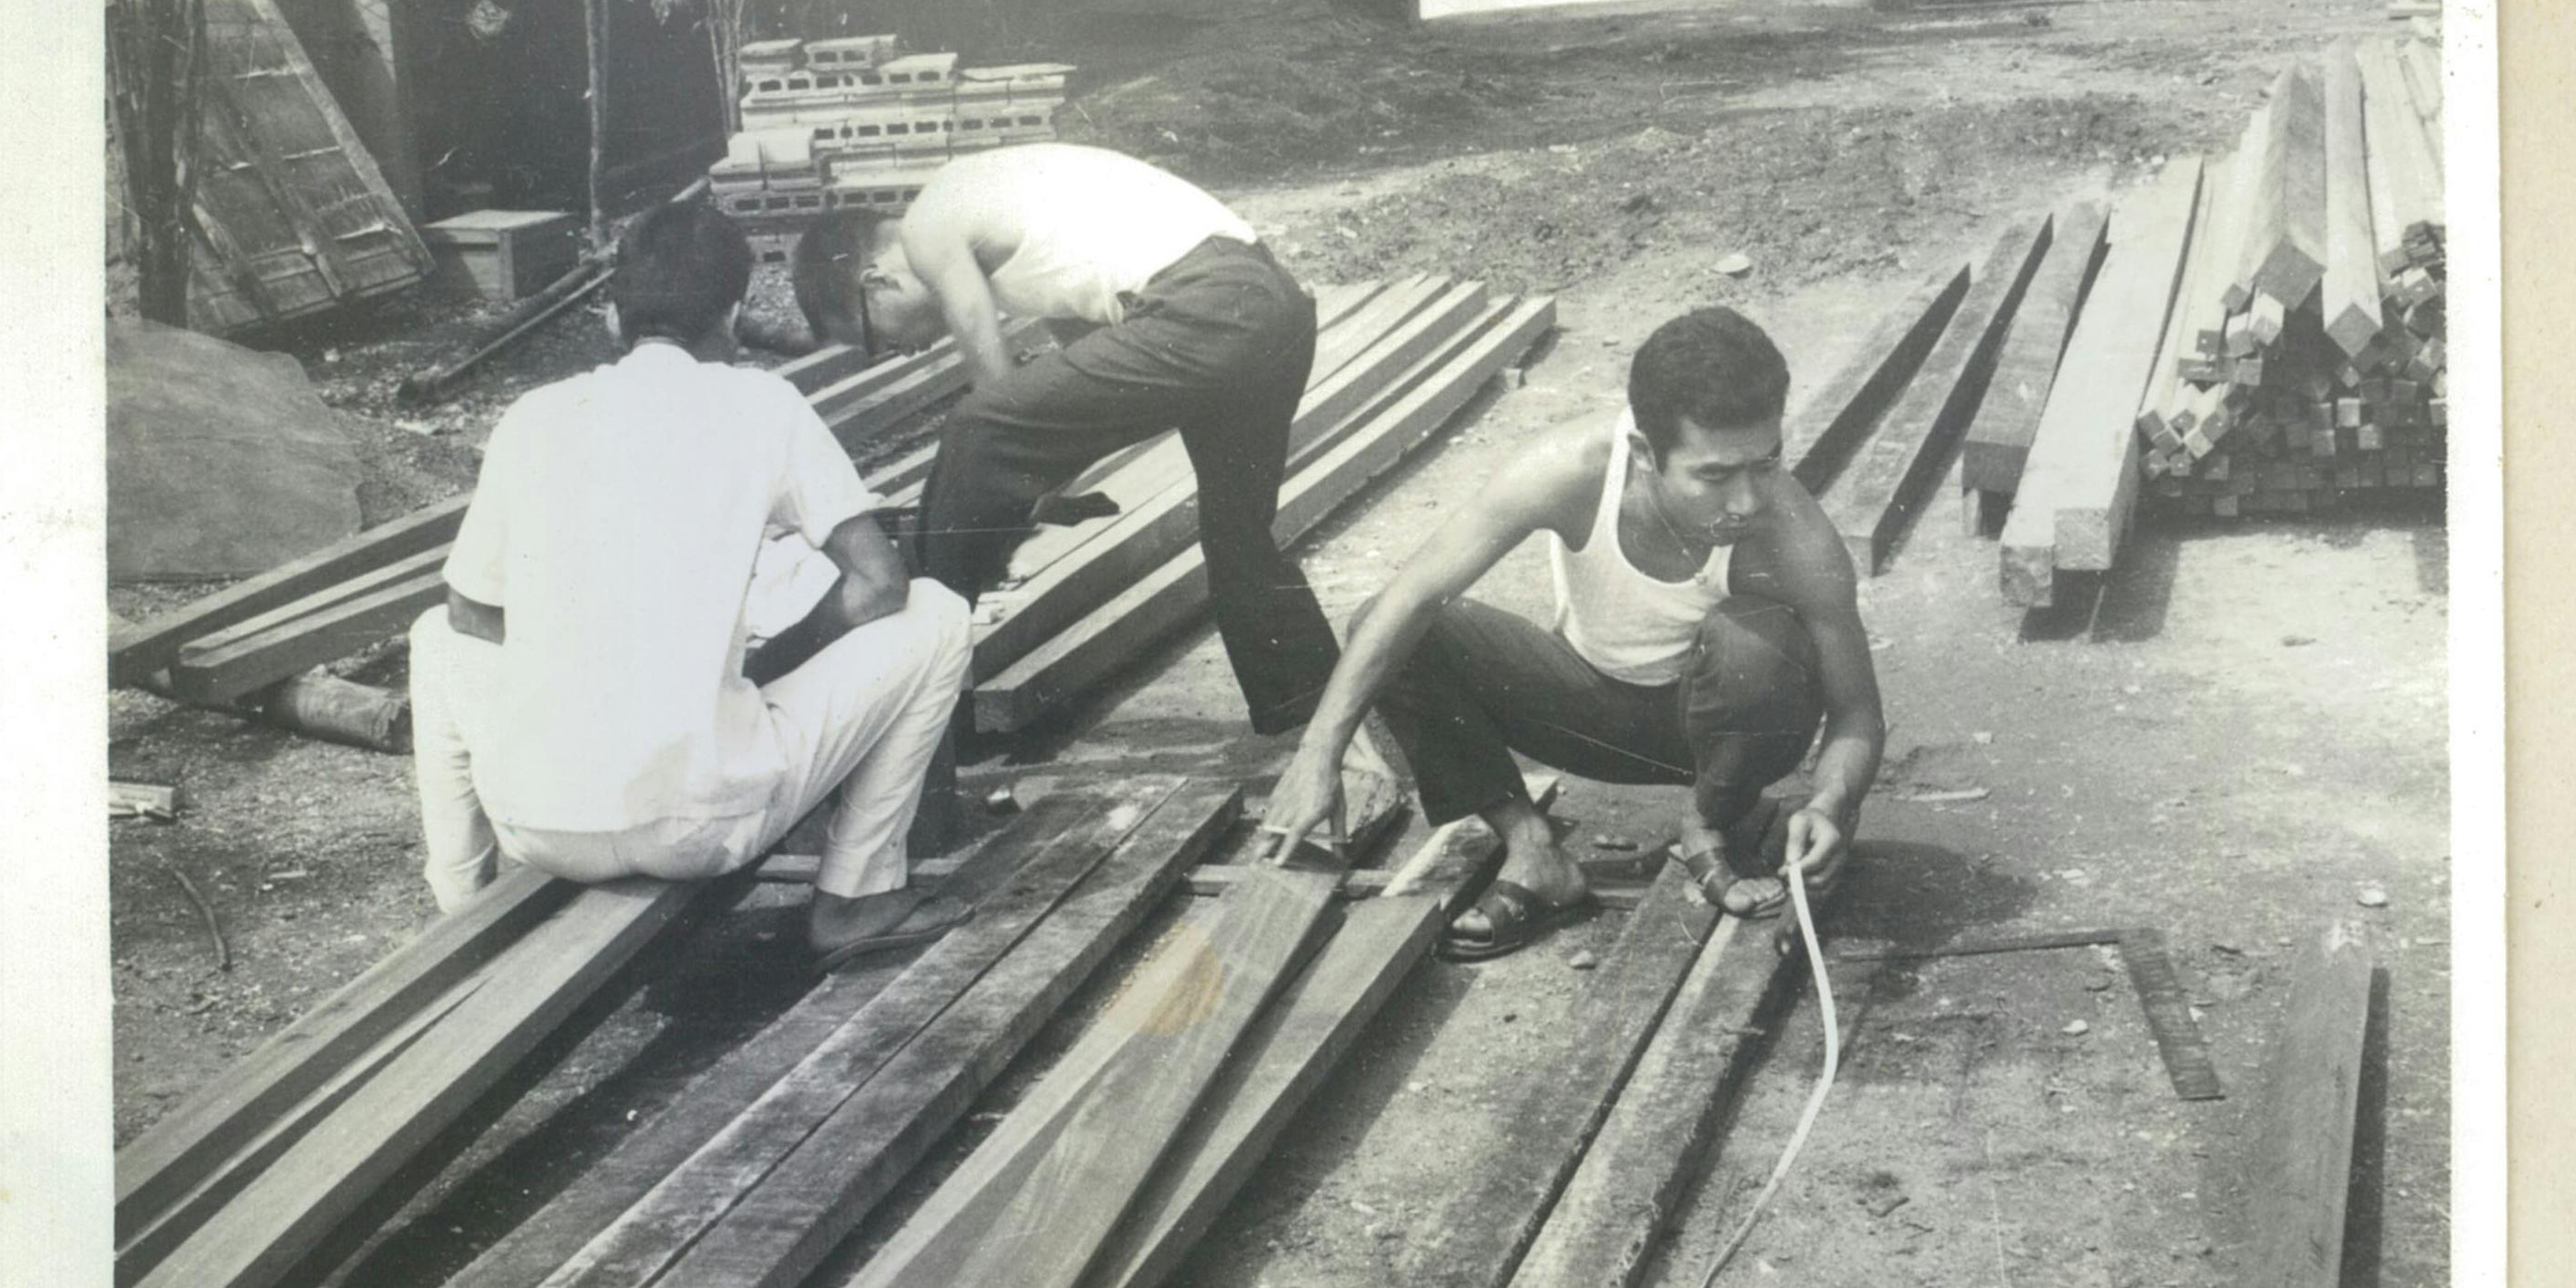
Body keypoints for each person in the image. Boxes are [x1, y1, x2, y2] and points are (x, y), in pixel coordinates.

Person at [407, 198, 975, 960]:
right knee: (936, 614)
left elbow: (472, 616)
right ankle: (857, 892)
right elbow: (880, 584)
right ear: (734, 316)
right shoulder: (763, 403)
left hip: (536, 822)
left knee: (432, 636)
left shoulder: (532, 416)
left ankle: (460, 912)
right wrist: (769, 666)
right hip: (702, 824)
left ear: (613, 317)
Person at [1257, 306, 1885, 954]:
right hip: (1589, 715)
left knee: (1753, 643)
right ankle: (1532, 849)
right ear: (1644, 453)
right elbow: (1411, 594)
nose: (1748, 500)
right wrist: (1317, 755)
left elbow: (1858, 712)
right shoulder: (1566, 467)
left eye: (1766, 462)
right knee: (1389, 625)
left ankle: (1707, 821)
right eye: (1715, 475)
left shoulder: (1796, 536)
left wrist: (1831, 802)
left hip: (1730, 737)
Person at [871, 140, 1340, 737]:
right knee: (1237, 536)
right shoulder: (1026, 227)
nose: (902, 352)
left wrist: (982, 534)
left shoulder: (925, 227)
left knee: (978, 424)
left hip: (1208, 304)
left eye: (877, 338)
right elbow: (1075, 395)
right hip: (1271, 303)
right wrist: (1040, 487)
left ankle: (922, 691)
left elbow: (998, 398)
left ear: (875, 282)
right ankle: (1320, 722)